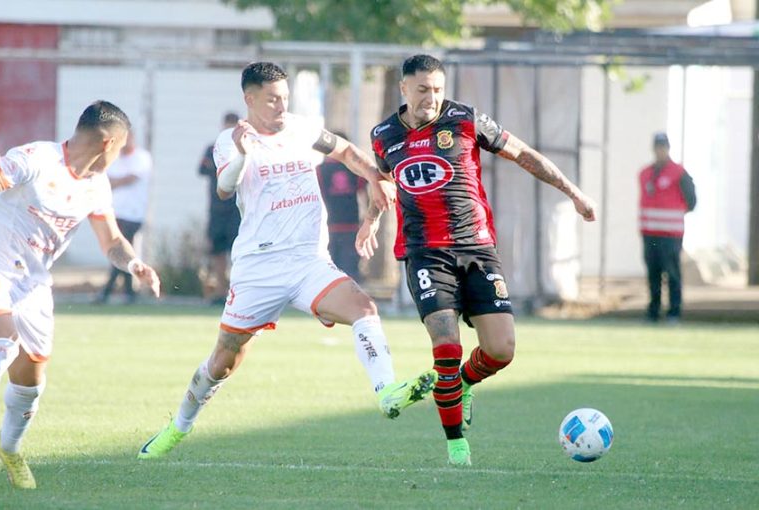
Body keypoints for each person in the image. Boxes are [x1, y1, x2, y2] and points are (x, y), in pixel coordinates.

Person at [137, 62, 437, 460]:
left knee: (364, 308)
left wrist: (373, 176)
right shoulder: (230, 141)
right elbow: (226, 188)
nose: (281, 106)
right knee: (224, 360)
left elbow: (346, 151)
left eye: (285, 98)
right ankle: (179, 426)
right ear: (250, 99)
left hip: (308, 261)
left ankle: (386, 392)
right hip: (259, 267)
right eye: (272, 99)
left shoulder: (300, 127)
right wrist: (244, 154)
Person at [357, 54, 597, 466]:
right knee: (446, 346)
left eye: (437, 90)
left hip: (476, 249)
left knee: (501, 349)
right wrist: (372, 219)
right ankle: (457, 448)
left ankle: (463, 383)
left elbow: (523, 153)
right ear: (403, 89)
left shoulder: (465, 120)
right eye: (422, 90)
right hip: (425, 253)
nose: (431, 98)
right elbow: (382, 180)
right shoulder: (383, 135)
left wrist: (573, 192)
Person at [0, 101, 161, 489]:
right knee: (0, 341)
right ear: (108, 142)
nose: (119, 154)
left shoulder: (96, 186)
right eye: (120, 147)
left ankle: (9, 447)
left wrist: (135, 265)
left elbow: (112, 240)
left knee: (31, 378)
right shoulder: (36, 158)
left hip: (33, 285)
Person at [638, 132, 696, 323]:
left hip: (670, 235)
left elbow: (691, 201)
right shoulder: (645, 173)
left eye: (663, 147)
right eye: (657, 147)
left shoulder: (678, 172)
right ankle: (653, 311)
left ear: (668, 148)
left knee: (672, 273)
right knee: (653, 274)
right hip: (649, 233)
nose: (660, 150)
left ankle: (674, 312)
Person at [95, 130, 153, 304]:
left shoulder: (142, 157)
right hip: (115, 212)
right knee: (125, 252)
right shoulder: (115, 158)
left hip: (134, 213)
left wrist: (114, 182)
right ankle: (129, 293)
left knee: (120, 251)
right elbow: (103, 178)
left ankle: (106, 291)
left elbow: (130, 178)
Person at [199, 113, 242, 304]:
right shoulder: (213, 148)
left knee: (237, 252)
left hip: (236, 210)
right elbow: (202, 169)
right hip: (216, 209)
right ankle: (220, 290)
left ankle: (237, 291)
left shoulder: (243, 151)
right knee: (217, 251)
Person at [317, 131, 366, 282]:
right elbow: (363, 193)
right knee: (350, 271)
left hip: (329, 227)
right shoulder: (355, 169)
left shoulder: (320, 170)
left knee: (331, 273)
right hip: (350, 226)